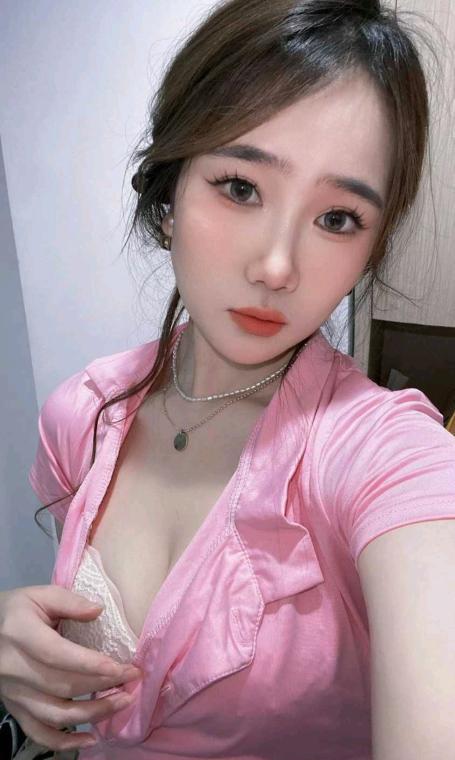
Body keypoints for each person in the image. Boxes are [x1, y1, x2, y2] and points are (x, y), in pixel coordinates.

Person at [1, 1, 455, 758]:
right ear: (169, 193)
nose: (277, 267)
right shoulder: (81, 415)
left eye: (338, 218)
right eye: (241, 187)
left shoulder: (384, 455)